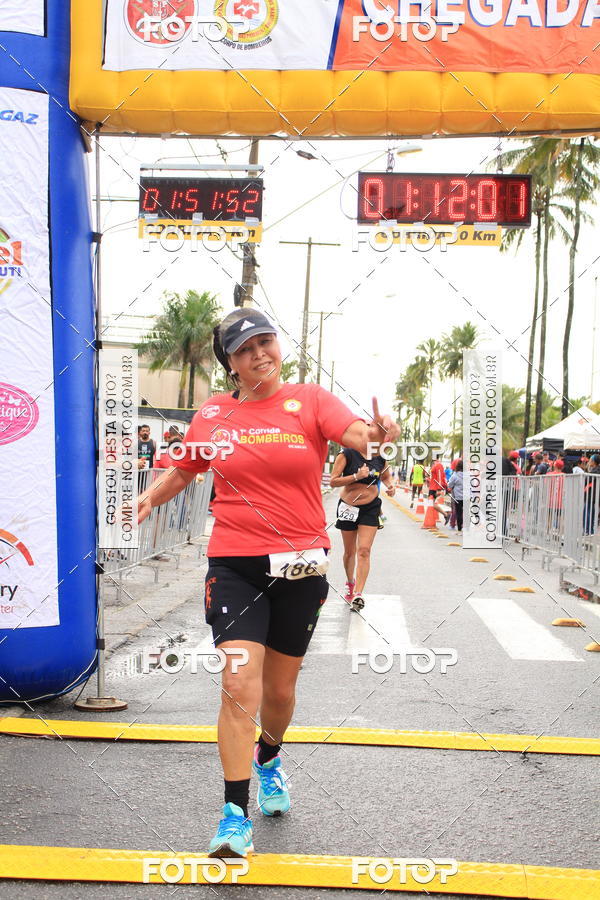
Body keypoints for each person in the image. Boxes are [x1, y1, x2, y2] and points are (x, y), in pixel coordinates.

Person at [136, 308, 399, 859]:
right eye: (244, 349)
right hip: (234, 564)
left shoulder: (310, 400)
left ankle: (269, 758)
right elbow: (185, 470)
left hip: (300, 567)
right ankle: (234, 816)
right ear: (230, 364)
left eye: (265, 342)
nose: (259, 354)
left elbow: (357, 433)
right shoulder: (214, 414)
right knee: (238, 684)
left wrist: (377, 436)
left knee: (279, 692)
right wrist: (148, 499)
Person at [330, 444, 395, 611]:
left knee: (364, 550)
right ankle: (350, 583)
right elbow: (333, 481)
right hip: (348, 506)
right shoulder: (347, 454)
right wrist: (356, 476)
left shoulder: (380, 457)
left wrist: (390, 486)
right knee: (349, 552)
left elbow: (386, 476)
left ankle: (358, 594)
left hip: (371, 507)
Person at [428, 455, 449, 524]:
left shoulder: (438, 465)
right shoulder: (435, 464)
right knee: (431, 503)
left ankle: (446, 514)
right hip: (432, 486)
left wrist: (439, 489)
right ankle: (445, 514)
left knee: (432, 503)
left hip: (434, 488)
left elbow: (439, 477)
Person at [447, 459, 464, 532]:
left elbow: (449, 485)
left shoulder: (455, 475)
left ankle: (459, 528)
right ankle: (467, 528)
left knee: (458, 512)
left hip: (457, 497)